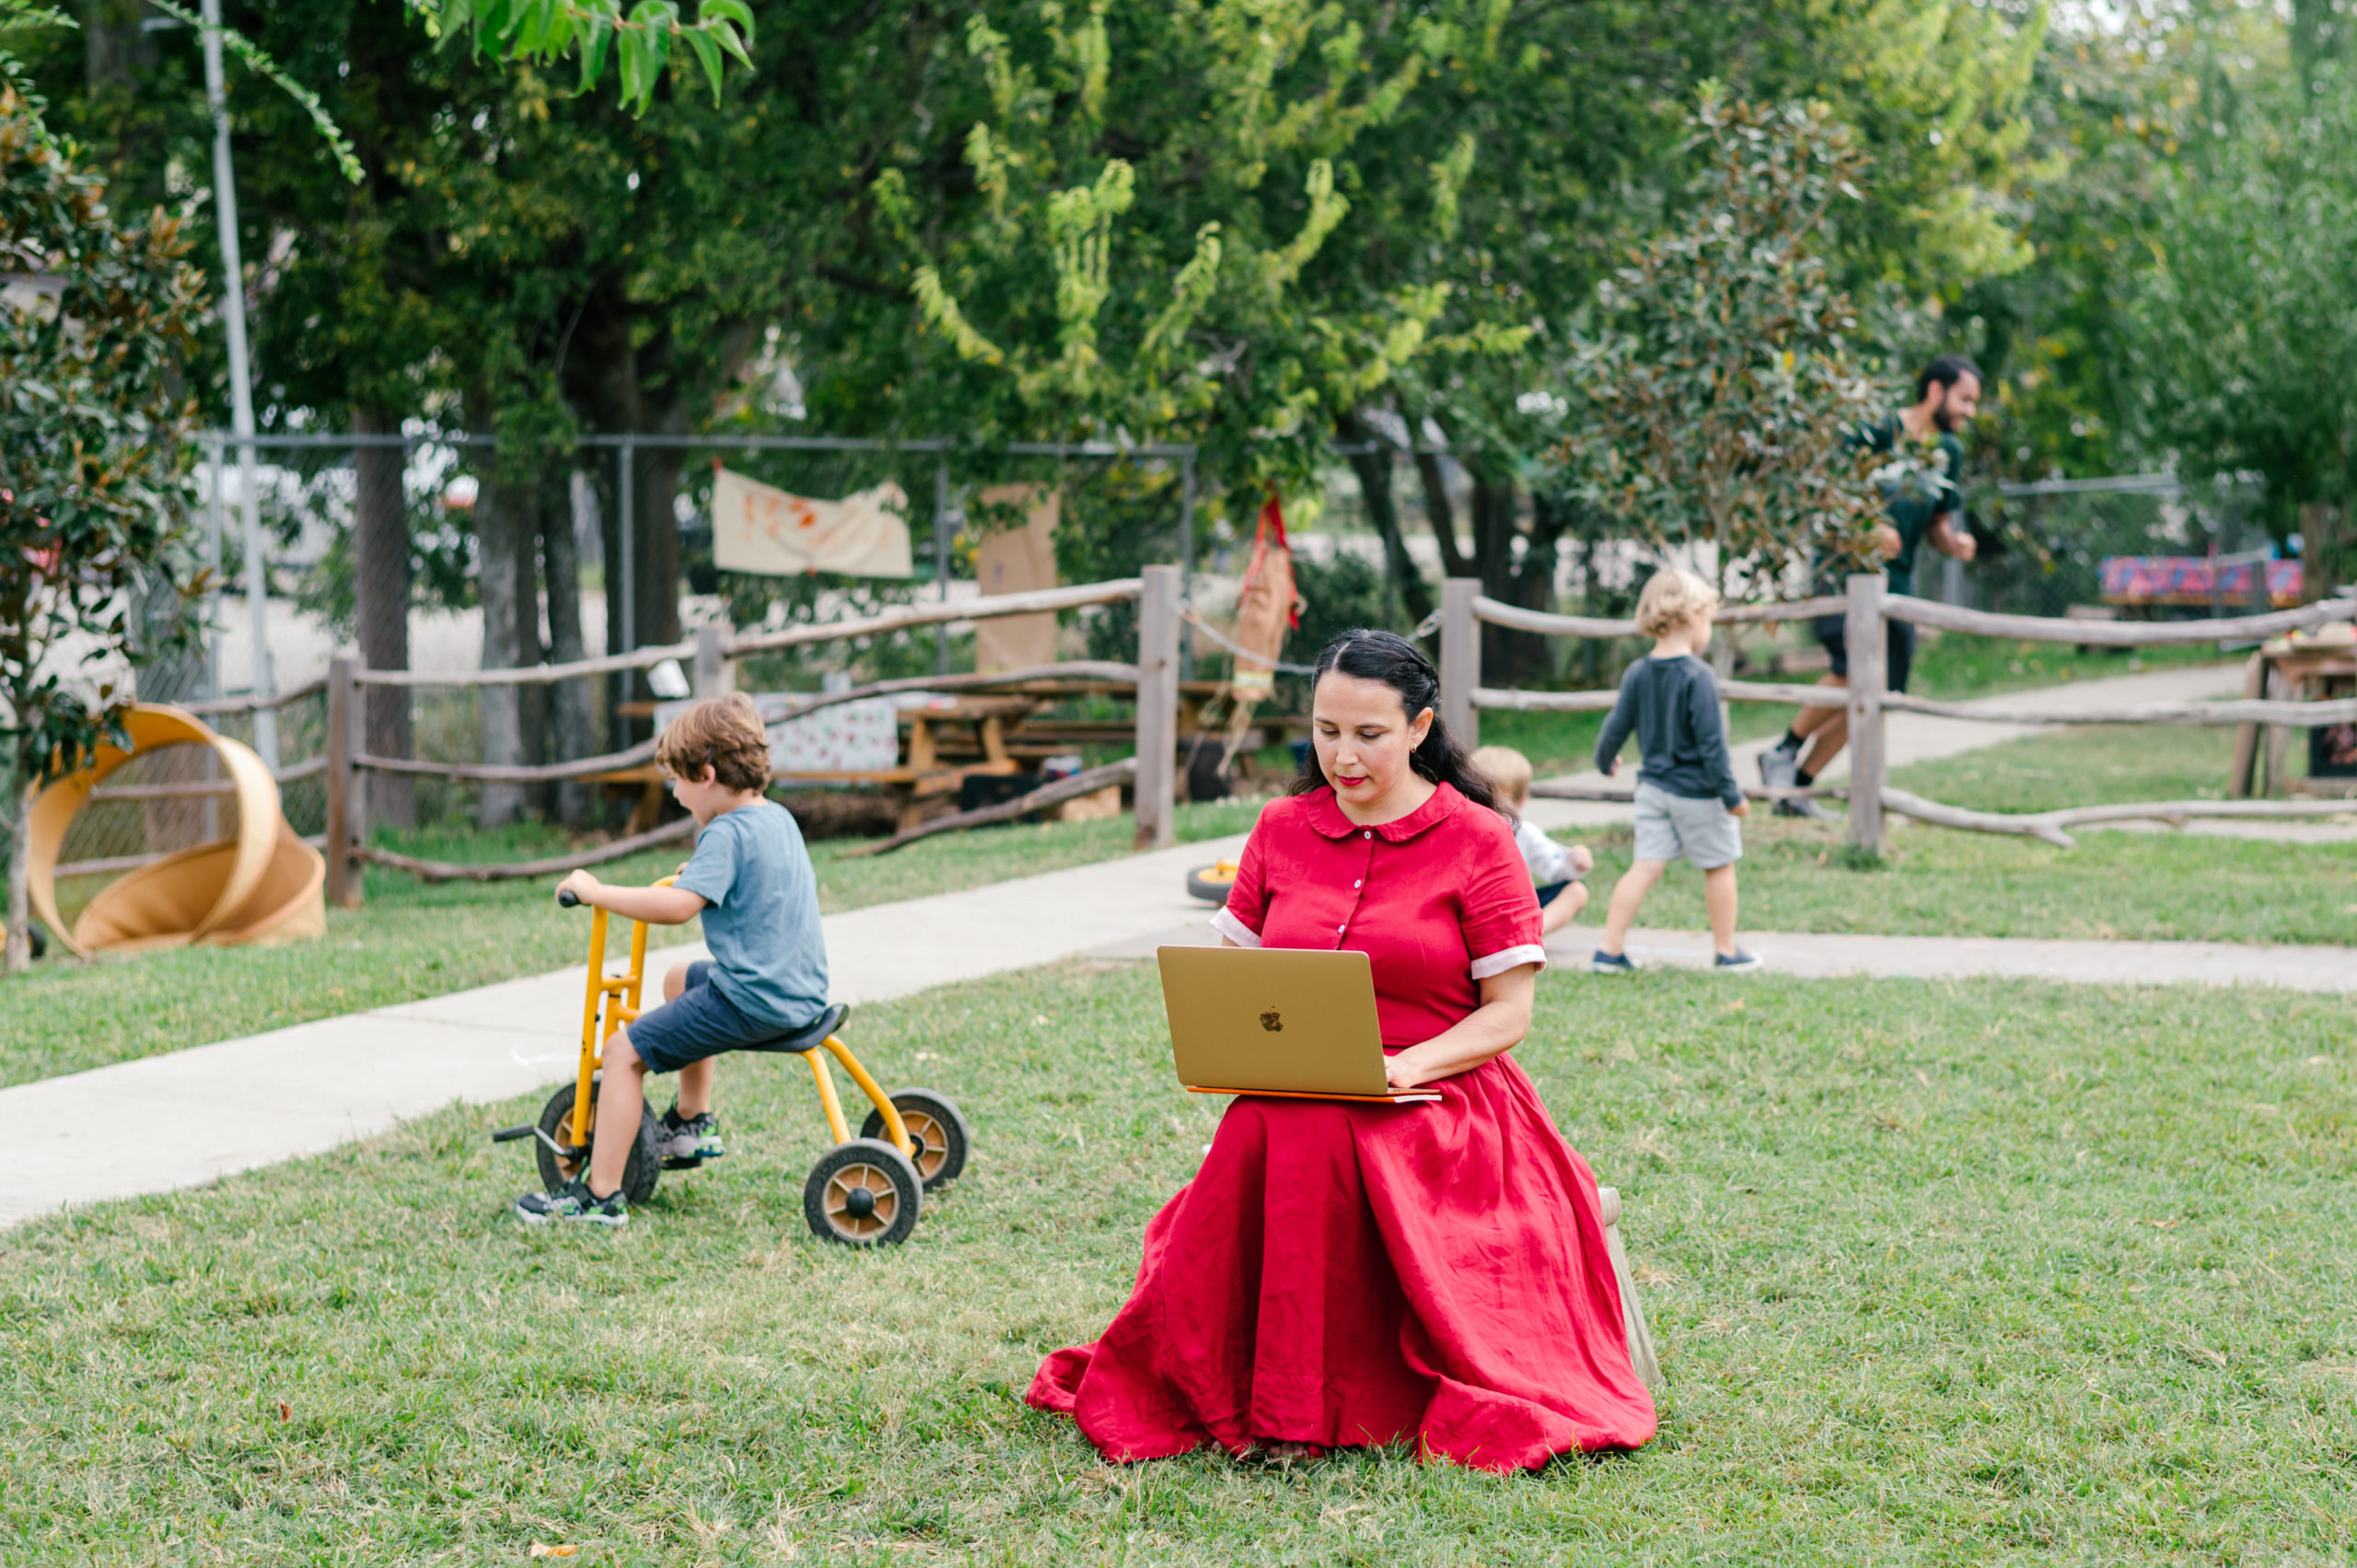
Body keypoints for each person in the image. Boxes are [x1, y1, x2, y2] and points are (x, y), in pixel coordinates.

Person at [1027, 630, 1655, 1472]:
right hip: (1301, 1077)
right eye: (1327, 730)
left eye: (1369, 735)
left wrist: (1404, 1065)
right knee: (1262, 1124)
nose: (1342, 755)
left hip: (1445, 1089)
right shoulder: (1281, 827)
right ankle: (1258, 1391)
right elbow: (1242, 977)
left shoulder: (1478, 838)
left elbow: (1507, 1014)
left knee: (1322, 1134)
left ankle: (1303, 1408)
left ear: (1420, 726)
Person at [515, 692, 829, 1226]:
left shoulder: (725, 833)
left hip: (752, 1001)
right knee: (680, 978)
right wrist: (706, 872)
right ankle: (690, 1123)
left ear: (706, 775)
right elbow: (749, 880)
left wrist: (597, 890)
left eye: (677, 780)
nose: (675, 792)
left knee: (621, 1054)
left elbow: (677, 908)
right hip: (799, 992)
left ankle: (600, 1195)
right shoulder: (774, 819)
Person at [1761, 354, 1983, 814]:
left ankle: (1798, 788)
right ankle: (1782, 750)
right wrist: (1866, 524)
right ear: (1935, 391)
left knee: (1882, 694)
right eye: (1965, 399)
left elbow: (1937, 523)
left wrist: (1953, 542)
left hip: (1895, 588)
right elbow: (1825, 488)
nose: (1970, 411)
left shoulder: (1949, 452)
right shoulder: (1878, 432)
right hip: (1844, 575)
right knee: (1851, 668)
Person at [1589, 568, 1759, 974]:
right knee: (1719, 866)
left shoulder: (1637, 672)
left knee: (1645, 865)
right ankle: (1727, 950)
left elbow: (1615, 726)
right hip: (1699, 792)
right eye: (1709, 622)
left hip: (1653, 791)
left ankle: (1609, 949)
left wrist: (1604, 759)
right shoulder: (1698, 676)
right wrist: (1732, 797)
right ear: (1695, 616)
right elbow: (1712, 746)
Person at [1469, 744, 1595, 936]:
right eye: (1482, 802)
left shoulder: (1525, 833)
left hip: (1516, 908)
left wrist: (1575, 860)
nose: (1491, 812)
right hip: (1473, 911)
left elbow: (1555, 868)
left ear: (1519, 802)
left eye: (1499, 806)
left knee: (1576, 891)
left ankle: (1528, 936)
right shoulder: (1461, 829)